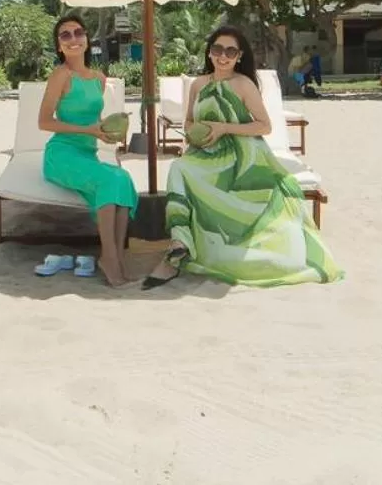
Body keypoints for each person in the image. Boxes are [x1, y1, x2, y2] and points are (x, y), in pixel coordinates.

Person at [144, 26, 342, 289]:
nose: (222, 56)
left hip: (243, 153)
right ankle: (179, 242)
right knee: (179, 167)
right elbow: (190, 120)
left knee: (198, 175)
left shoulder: (244, 84)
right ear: (209, 52)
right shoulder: (198, 84)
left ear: (239, 56)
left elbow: (264, 126)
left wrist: (224, 128)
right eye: (217, 49)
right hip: (205, 151)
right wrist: (196, 134)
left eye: (230, 51)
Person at [39, 14, 139, 286]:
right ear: (59, 46)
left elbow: (94, 121)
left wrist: (106, 133)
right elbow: (44, 121)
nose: (73, 39)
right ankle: (110, 257)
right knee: (110, 179)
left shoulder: (99, 78)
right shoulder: (60, 76)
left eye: (78, 33)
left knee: (123, 178)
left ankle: (115, 256)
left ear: (86, 39)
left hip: (88, 153)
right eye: (65, 35)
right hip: (61, 155)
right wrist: (89, 131)